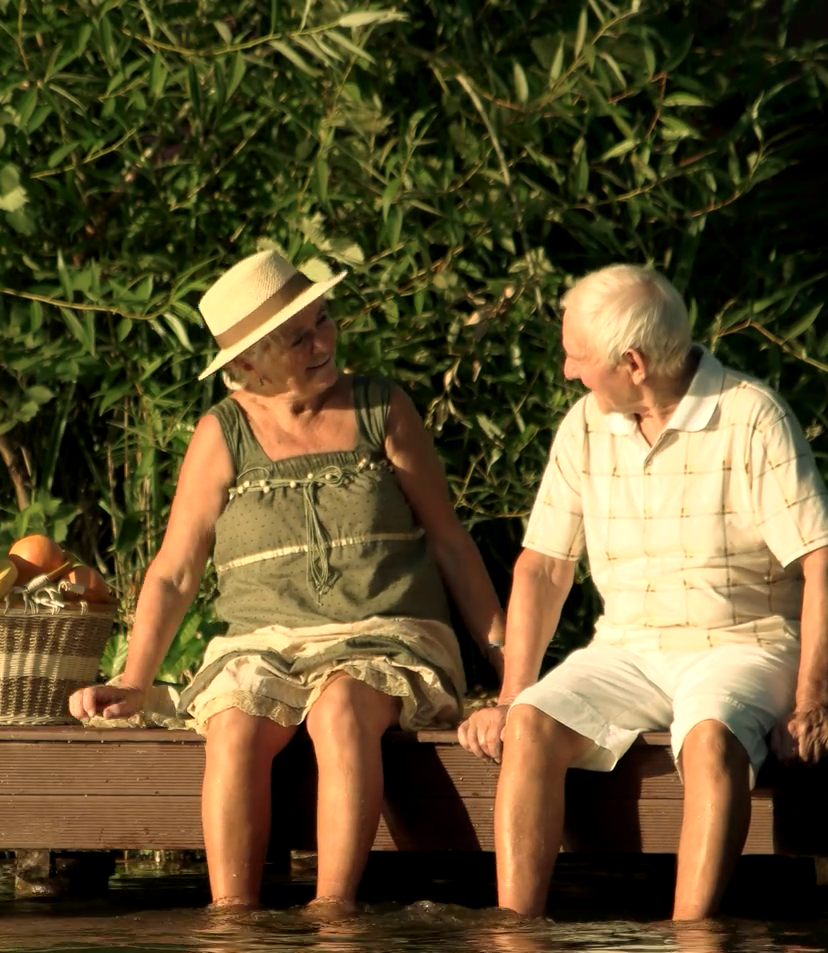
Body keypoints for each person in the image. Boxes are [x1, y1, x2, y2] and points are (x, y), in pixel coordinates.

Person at [69, 250, 505, 910]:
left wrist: (511, 669)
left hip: (384, 633)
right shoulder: (223, 434)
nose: (324, 341)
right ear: (246, 364)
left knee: (340, 706)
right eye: (298, 337)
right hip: (265, 644)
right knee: (236, 721)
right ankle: (232, 927)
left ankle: (334, 916)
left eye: (323, 320)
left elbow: (449, 540)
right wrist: (133, 680)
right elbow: (174, 571)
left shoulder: (381, 408)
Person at [458, 264, 828, 920]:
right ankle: (516, 942)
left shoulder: (750, 416)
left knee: (708, 735)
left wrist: (815, 700)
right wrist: (508, 697)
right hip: (629, 646)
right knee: (529, 723)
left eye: (578, 358)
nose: (567, 372)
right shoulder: (586, 425)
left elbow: (825, 560)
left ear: (633, 363)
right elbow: (543, 568)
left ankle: (692, 945)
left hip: (744, 641)